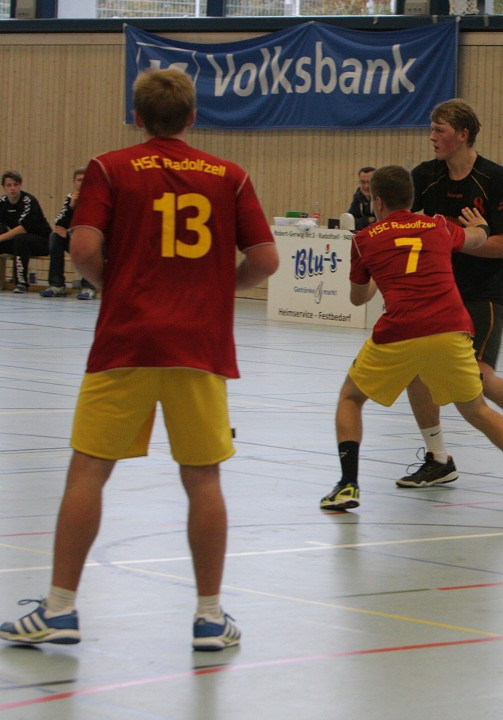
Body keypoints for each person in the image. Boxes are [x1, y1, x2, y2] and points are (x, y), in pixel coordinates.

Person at [0, 68, 279, 649]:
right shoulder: (230, 177)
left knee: (89, 470)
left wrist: (112, 285)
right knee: (202, 478)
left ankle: (60, 608)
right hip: (198, 345)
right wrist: (220, 289)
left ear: (136, 115)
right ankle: (209, 616)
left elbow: (81, 246)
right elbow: (266, 259)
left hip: (126, 339)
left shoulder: (109, 167)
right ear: (193, 117)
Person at [318, 165, 503, 512]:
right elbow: (477, 239)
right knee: (476, 409)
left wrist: (378, 271)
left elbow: (358, 299)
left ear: (376, 201)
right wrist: (479, 226)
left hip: (401, 331)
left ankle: (348, 484)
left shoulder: (365, 239)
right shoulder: (437, 225)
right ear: (411, 198)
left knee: (350, 397)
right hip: (450, 328)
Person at [400, 99, 503, 489]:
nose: (432, 137)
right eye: (432, 129)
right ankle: (438, 458)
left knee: (477, 377)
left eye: (440, 130)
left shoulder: (494, 179)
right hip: (438, 290)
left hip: (483, 291)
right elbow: (404, 226)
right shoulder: (425, 177)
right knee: (417, 372)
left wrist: (465, 240)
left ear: (463, 134)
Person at [40, 167, 98, 299]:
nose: (82, 183)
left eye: (85, 180)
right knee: (55, 237)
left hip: (95, 241)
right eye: (79, 180)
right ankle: (57, 285)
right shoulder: (70, 198)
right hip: (76, 240)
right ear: (74, 182)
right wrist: (72, 206)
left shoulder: (97, 198)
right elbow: (59, 223)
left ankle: (88, 286)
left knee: (91, 240)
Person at [0, 170, 52, 293]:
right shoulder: (2, 203)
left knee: (21, 239)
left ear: (20, 185)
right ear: (4, 187)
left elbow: (22, 228)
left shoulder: (29, 201)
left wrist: (1, 237)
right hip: (19, 242)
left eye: (16, 184)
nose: (13, 188)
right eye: (9, 185)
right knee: (15, 241)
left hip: (42, 242)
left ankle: (21, 282)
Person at [346, 166, 376, 230]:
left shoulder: (384, 197)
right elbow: (349, 221)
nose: (366, 186)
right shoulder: (358, 197)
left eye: (369, 182)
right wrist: (367, 220)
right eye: (363, 182)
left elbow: (384, 221)